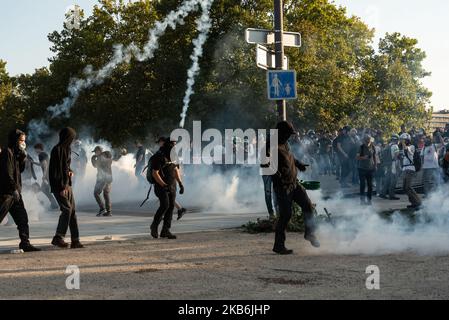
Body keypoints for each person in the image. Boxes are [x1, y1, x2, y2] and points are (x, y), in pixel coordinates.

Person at [271, 121, 320, 255]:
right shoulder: (270, 145)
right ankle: (279, 245)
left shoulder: (285, 144)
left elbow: (290, 157)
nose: (289, 137)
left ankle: (310, 234)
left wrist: (298, 165)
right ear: (281, 132)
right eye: (288, 134)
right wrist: (278, 178)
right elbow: (266, 166)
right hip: (283, 187)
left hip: (294, 183)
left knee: (308, 206)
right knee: (286, 215)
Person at [0, 129, 41, 252]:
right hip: (6, 193)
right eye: (21, 140)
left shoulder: (17, 154)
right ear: (15, 140)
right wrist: (13, 189)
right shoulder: (7, 153)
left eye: (24, 141)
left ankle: (25, 243)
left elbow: (20, 171)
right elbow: (7, 173)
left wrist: (23, 157)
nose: (23, 143)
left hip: (15, 192)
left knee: (22, 218)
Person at [49, 127, 84, 249]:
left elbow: (65, 167)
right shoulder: (57, 150)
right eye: (71, 138)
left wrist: (70, 171)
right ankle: (58, 238)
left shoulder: (67, 149)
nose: (73, 140)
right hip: (60, 186)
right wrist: (62, 186)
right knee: (67, 210)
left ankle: (76, 240)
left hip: (67, 185)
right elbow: (56, 171)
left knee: (72, 211)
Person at [150, 140, 185, 239]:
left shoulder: (173, 156)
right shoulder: (159, 157)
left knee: (170, 207)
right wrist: (164, 185)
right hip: (161, 186)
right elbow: (155, 173)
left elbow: (176, 170)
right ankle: (154, 226)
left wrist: (180, 183)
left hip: (172, 185)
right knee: (165, 205)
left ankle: (165, 230)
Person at [399, 133, 422, 209]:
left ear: (407, 140)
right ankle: (413, 202)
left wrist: (403, 143)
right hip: (405, 169)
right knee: (404, 188)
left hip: (410, 169)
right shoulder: (403, 148)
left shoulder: (412, 147)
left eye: (403, 140)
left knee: (408, 186)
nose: (402, 142)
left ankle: (418, 202)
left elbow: (407, 150)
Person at [33, 143, 59, 209]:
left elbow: (45, 166)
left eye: (35, 149)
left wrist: (44, 176)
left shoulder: (41, 155)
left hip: (47, 175)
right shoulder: (44, 154)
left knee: (45, 189)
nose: (35, 151)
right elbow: (41, 164)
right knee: (48, 189)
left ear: (38, 148)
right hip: (50, 175)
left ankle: (55, 204)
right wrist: (33, 162)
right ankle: (54, 203)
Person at [91, 146, 113, 217]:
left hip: (102, 178)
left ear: (99, 151)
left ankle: (102, 208)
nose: (95, 153)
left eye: (95, 151)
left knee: (96, 193)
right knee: (106, 194)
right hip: (109, 178)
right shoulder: (107, 157)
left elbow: (95, 165)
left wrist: (93, 158)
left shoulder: (101, 157)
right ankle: (108, 211)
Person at [356, 135, 377, 205]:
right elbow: (357, 157)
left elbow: (374, 157)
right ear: (364, 140)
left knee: (370, 185)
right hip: (361, 168)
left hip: (370, 169)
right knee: (362, 185)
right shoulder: (361, 147)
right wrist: (363, 157)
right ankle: (362, 200)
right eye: (367, 140)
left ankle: (369, 200)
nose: (368, 141)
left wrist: (375, 165)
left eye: (369, 140)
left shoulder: (373, 147)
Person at [380, 135, 401, 200]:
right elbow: (396, 156)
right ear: (396, 140)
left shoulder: (388, 145)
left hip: (387, 164)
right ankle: (391, 195)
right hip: (393, 164)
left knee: (387, 180)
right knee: (393, 180)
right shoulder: (395, 146)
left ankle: (383, 193)